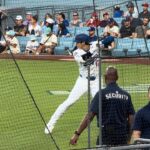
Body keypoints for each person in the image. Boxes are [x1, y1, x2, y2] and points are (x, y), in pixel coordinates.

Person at [45, 34, 100, 134]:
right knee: (69, 102)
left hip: (96, 81)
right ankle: (50, 124)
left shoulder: (94, 45)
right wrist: (94, 49)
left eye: (77, 42)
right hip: (83, 81)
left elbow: (110, 39)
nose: (76, 44)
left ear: (83, 43)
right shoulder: (76, 52)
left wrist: (102, 42)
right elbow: (85, 59)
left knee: (100, 103)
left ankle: (102, 124)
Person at [70, 66, 135, 146]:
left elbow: (89, 116)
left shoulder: (101, 94)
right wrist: (128, 138)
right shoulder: (126, 95)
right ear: (117, 78)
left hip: (106, 135)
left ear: (104, 77)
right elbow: (132, 120)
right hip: (122, 135)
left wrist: (77, 133)